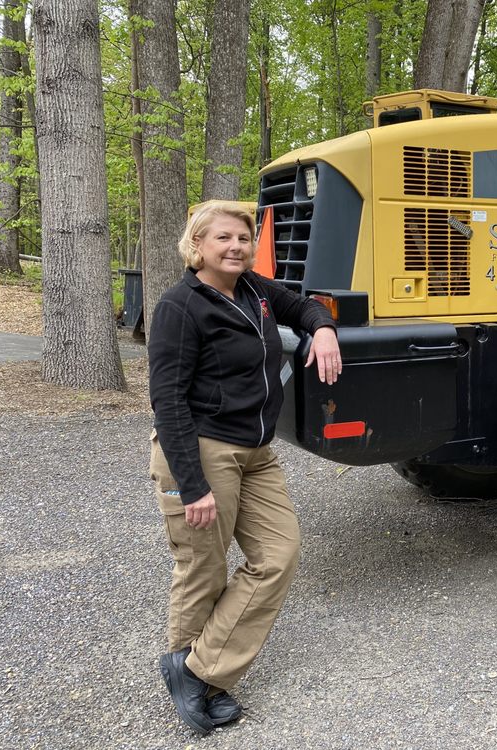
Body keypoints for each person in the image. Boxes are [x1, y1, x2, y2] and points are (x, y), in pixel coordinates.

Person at [147, 201, 341, 734]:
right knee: (203, 568)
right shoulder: (179, 306)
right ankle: (197, 680)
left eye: (243, 237)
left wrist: (322, 327)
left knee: (277, 555)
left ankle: (195, 670)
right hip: (202, 450)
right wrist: (194, 486)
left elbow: (302, 307)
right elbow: (167, 400)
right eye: (222, 238)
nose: (235, 246)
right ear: (197, 245)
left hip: (256, 454)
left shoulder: (254, 290)